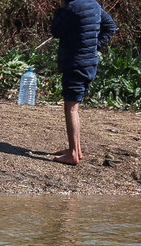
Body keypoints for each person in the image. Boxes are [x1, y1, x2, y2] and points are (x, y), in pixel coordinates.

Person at [50, 0, 117, 164]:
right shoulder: (93, 5)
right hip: (89, 64)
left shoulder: (71, 8)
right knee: (75, 107)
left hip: (75, 64)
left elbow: (55, 30)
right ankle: (76, 149)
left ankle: (73, 153)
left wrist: (60, 9)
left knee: (71, 108)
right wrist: (95, 46)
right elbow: (111, 27)